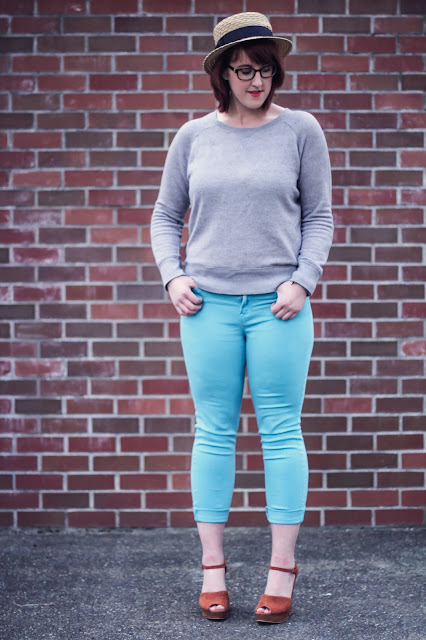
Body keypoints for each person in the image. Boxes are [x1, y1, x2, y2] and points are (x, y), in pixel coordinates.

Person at [150, 11, 333, 624]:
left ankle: (282, 570)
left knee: (281, 430)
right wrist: (173, 275)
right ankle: (213, 570)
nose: (257, 81)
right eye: (245, 70)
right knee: (213, 431)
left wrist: (302, 282)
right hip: (208, 307)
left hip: (281, 307)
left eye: (266, 70)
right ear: (222, 74)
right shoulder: (193, 136)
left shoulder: (301, 130)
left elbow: (319, 216)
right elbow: (165, 215)